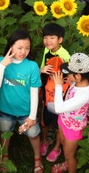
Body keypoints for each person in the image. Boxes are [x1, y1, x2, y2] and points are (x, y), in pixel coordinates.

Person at [0, 30, 43, 172]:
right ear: (11, 46)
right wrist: (2, 66)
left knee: (33, 135)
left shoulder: (32, 66)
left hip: (26, 112)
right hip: (5, 110)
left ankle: (37, 159)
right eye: (19, 48)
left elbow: (34, 92)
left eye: (27, 48)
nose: (23, 52)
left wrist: (32, 116)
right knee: (5, 134)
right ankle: (4, 158)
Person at [48, 53, 89, 173]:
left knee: (69, 155)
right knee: (63, 143)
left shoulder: (83, 96)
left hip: (73, 128)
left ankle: (69, 164)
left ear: (78, 76)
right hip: (64, 120)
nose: (67, 75)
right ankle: (66, 162)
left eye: (69, 73)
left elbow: (59, 108)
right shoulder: (77, 83)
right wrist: (67, 82)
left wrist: (58, 86)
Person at [38, 23, 71, 160]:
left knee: (59, 123)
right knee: (45, 120)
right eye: (45, 37)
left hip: (61, 94)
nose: (48, 41)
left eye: (52, 38)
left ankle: (57, 147)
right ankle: (45, 140)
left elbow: (70, 76)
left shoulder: (65, 55)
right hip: (47, 92)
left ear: (60, 40)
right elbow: (42, 67)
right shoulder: (47, 51)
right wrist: (42, 70)